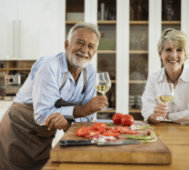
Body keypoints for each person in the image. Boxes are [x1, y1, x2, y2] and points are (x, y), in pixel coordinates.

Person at [0, 22, 108, 170]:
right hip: (19, 130)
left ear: (94, 52)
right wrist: (79, 111)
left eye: (90, 46)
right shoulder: (50, 66)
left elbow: (87, 118)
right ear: (67, 44)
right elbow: (43, 114)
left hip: (44, 136)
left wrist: (72, 119)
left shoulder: (89, 72)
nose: (84, 50)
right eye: (80, 43)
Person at [141, 28, 189, 126]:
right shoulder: (154, 77)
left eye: (179, 50)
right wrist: (154, 115)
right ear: (160, 54)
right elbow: (147, 110)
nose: (174, 56)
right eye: (168, 50)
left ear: (185, 55)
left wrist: (166, 116)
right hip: (162, 134)